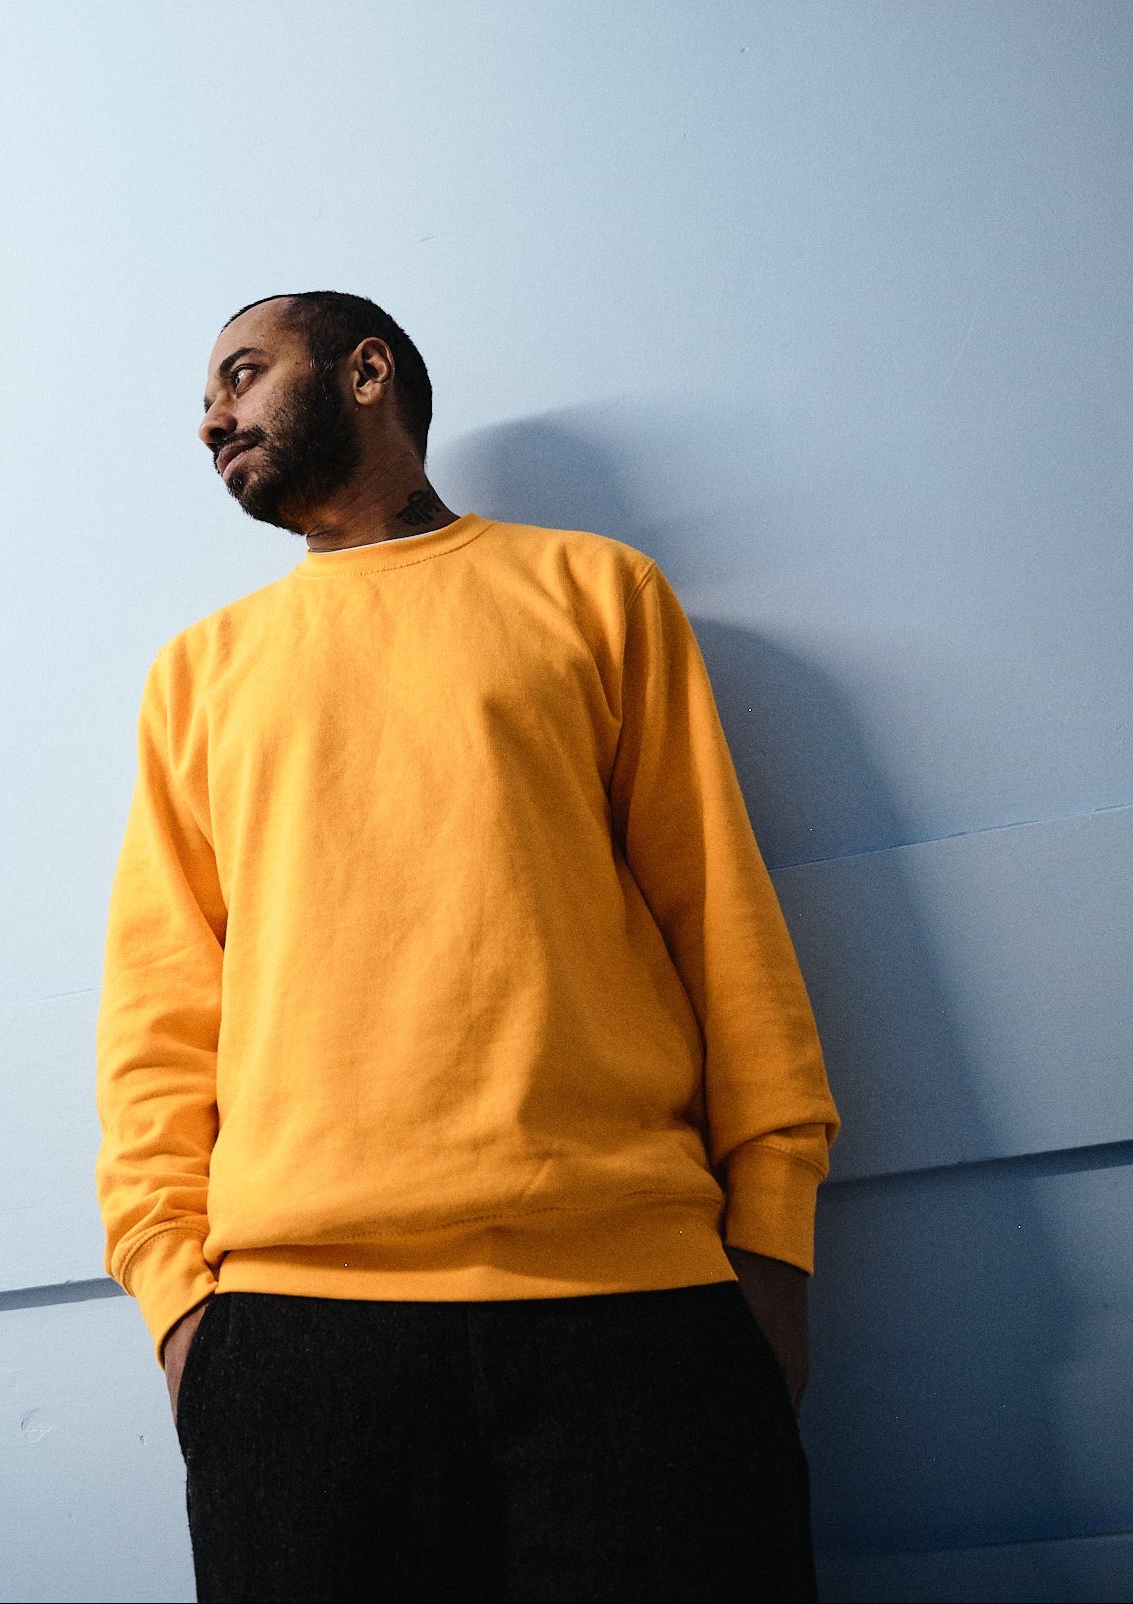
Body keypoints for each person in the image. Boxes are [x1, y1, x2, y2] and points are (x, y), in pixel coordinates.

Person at [95, 290, 840, 1603]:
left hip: (638, 1315)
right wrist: (181, 1318)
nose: (212, 416)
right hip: (296, 1344)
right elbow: (159, 1020)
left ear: (366, 371)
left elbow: (722, 925)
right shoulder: (197, 676)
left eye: (245, 374)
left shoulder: (595, 591)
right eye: (210, 395)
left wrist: (771, 1255)